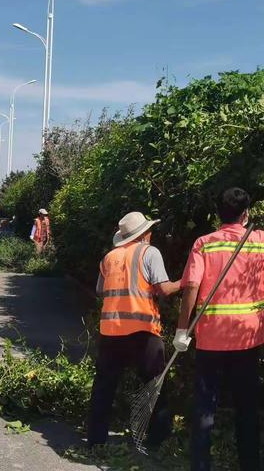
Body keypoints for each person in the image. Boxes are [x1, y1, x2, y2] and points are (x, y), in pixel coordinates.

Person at [174, 188, 264, 471]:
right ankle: (250, 464)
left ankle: (201, 466)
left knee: (205, 407)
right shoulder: (261, 242)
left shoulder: (204, 243)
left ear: (217, 213)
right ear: (246, 213)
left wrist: (181, 330)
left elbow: (190, 287)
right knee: (248, 407)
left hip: (211, 339)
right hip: (249, 339)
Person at [87, 211, 181, 448]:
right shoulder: (149, 252)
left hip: (110, 332)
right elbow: (164, 290)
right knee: (154, 385)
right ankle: (157, 440)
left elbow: (100, 290)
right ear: (144, 234)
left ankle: (95, 440)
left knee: (104, 387)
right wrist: (187, 281)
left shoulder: (108, 258)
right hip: (143, 331)